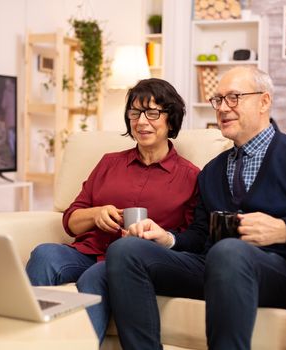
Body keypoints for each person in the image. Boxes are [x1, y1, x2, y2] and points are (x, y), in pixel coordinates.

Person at [105, 66, 286, 350]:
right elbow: (198, 235)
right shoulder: (211, 171)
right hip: (213, 266)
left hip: (278, 273)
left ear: (264, 101)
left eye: (233, 97)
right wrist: (167, 238)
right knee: (125, 250)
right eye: (218, 100)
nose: (222, 108)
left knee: (229, 251)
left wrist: (283, 230)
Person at [25, 78, 200, 343]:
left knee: (96, 277)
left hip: (133, 263)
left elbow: (190, 241)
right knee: (44, 254)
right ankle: (27, 343)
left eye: (152, 113)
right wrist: (96, 214)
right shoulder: (109, 163)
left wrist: (158, 237)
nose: (141, 122)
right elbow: (71, 220)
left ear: (171, 119)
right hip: (88, 251)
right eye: (134, 113)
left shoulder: (190, 177)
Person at [1, 78, 16, 155]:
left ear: (8, 81)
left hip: (10, 116)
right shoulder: (17, 88)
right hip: (17, 117)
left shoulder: (6, 91)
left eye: (6, 81)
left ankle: (13, 154)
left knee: (10, 137)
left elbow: (3, 105)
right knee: (17, 135)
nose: (5, 83)